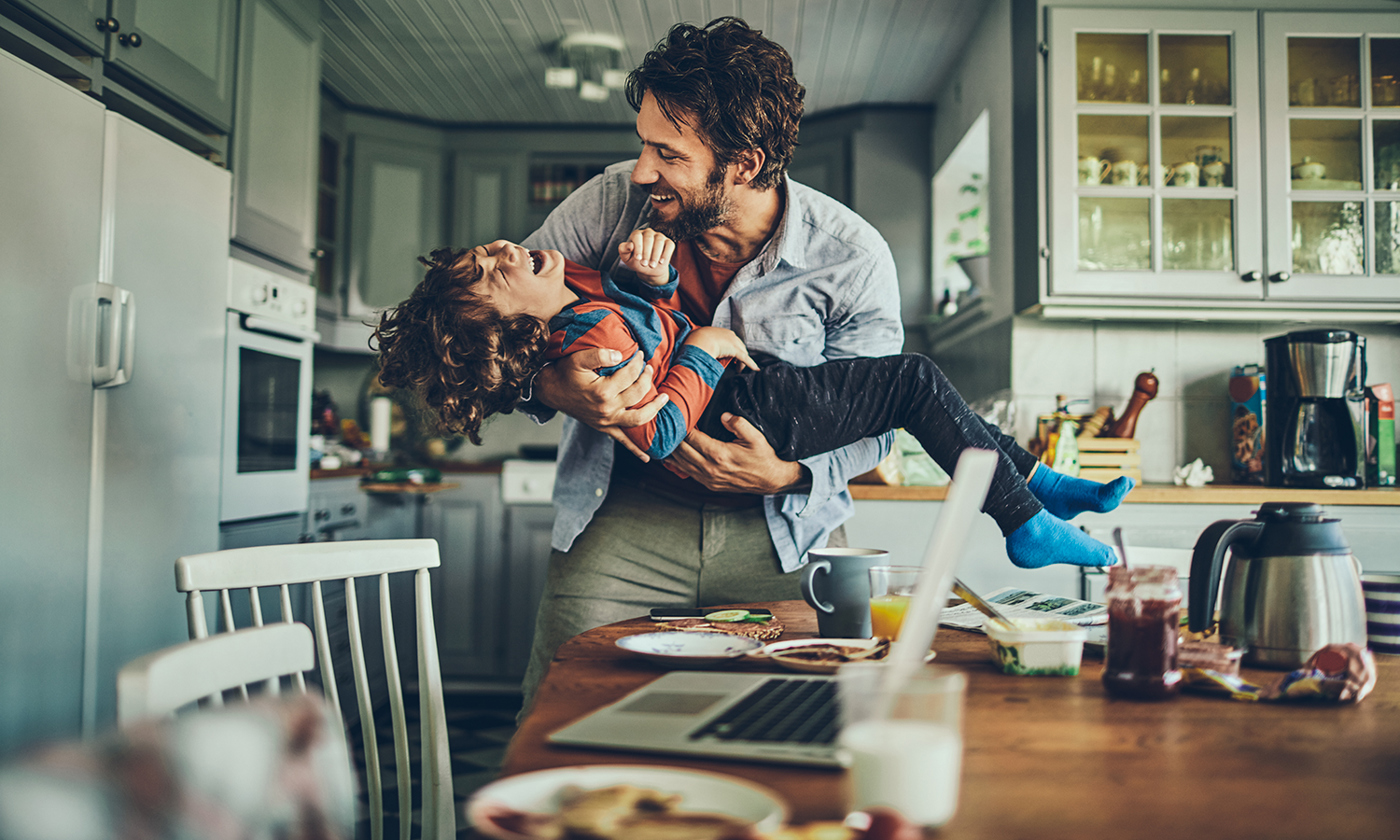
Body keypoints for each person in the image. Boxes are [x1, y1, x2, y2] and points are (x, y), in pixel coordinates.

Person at [373, 231, 1130, 574]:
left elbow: (651, 323)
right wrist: (704, 346)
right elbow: (662, 427)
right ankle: (1026, 525)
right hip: (744, 411)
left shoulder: (575, 289)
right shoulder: (585, 346)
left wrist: (653, 283)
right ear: (520, 327)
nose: (505, 250)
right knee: (915, 384)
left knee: (928, 399)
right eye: (490, 272)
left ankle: (1040, 486)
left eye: (490, 250)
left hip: (746, 394)